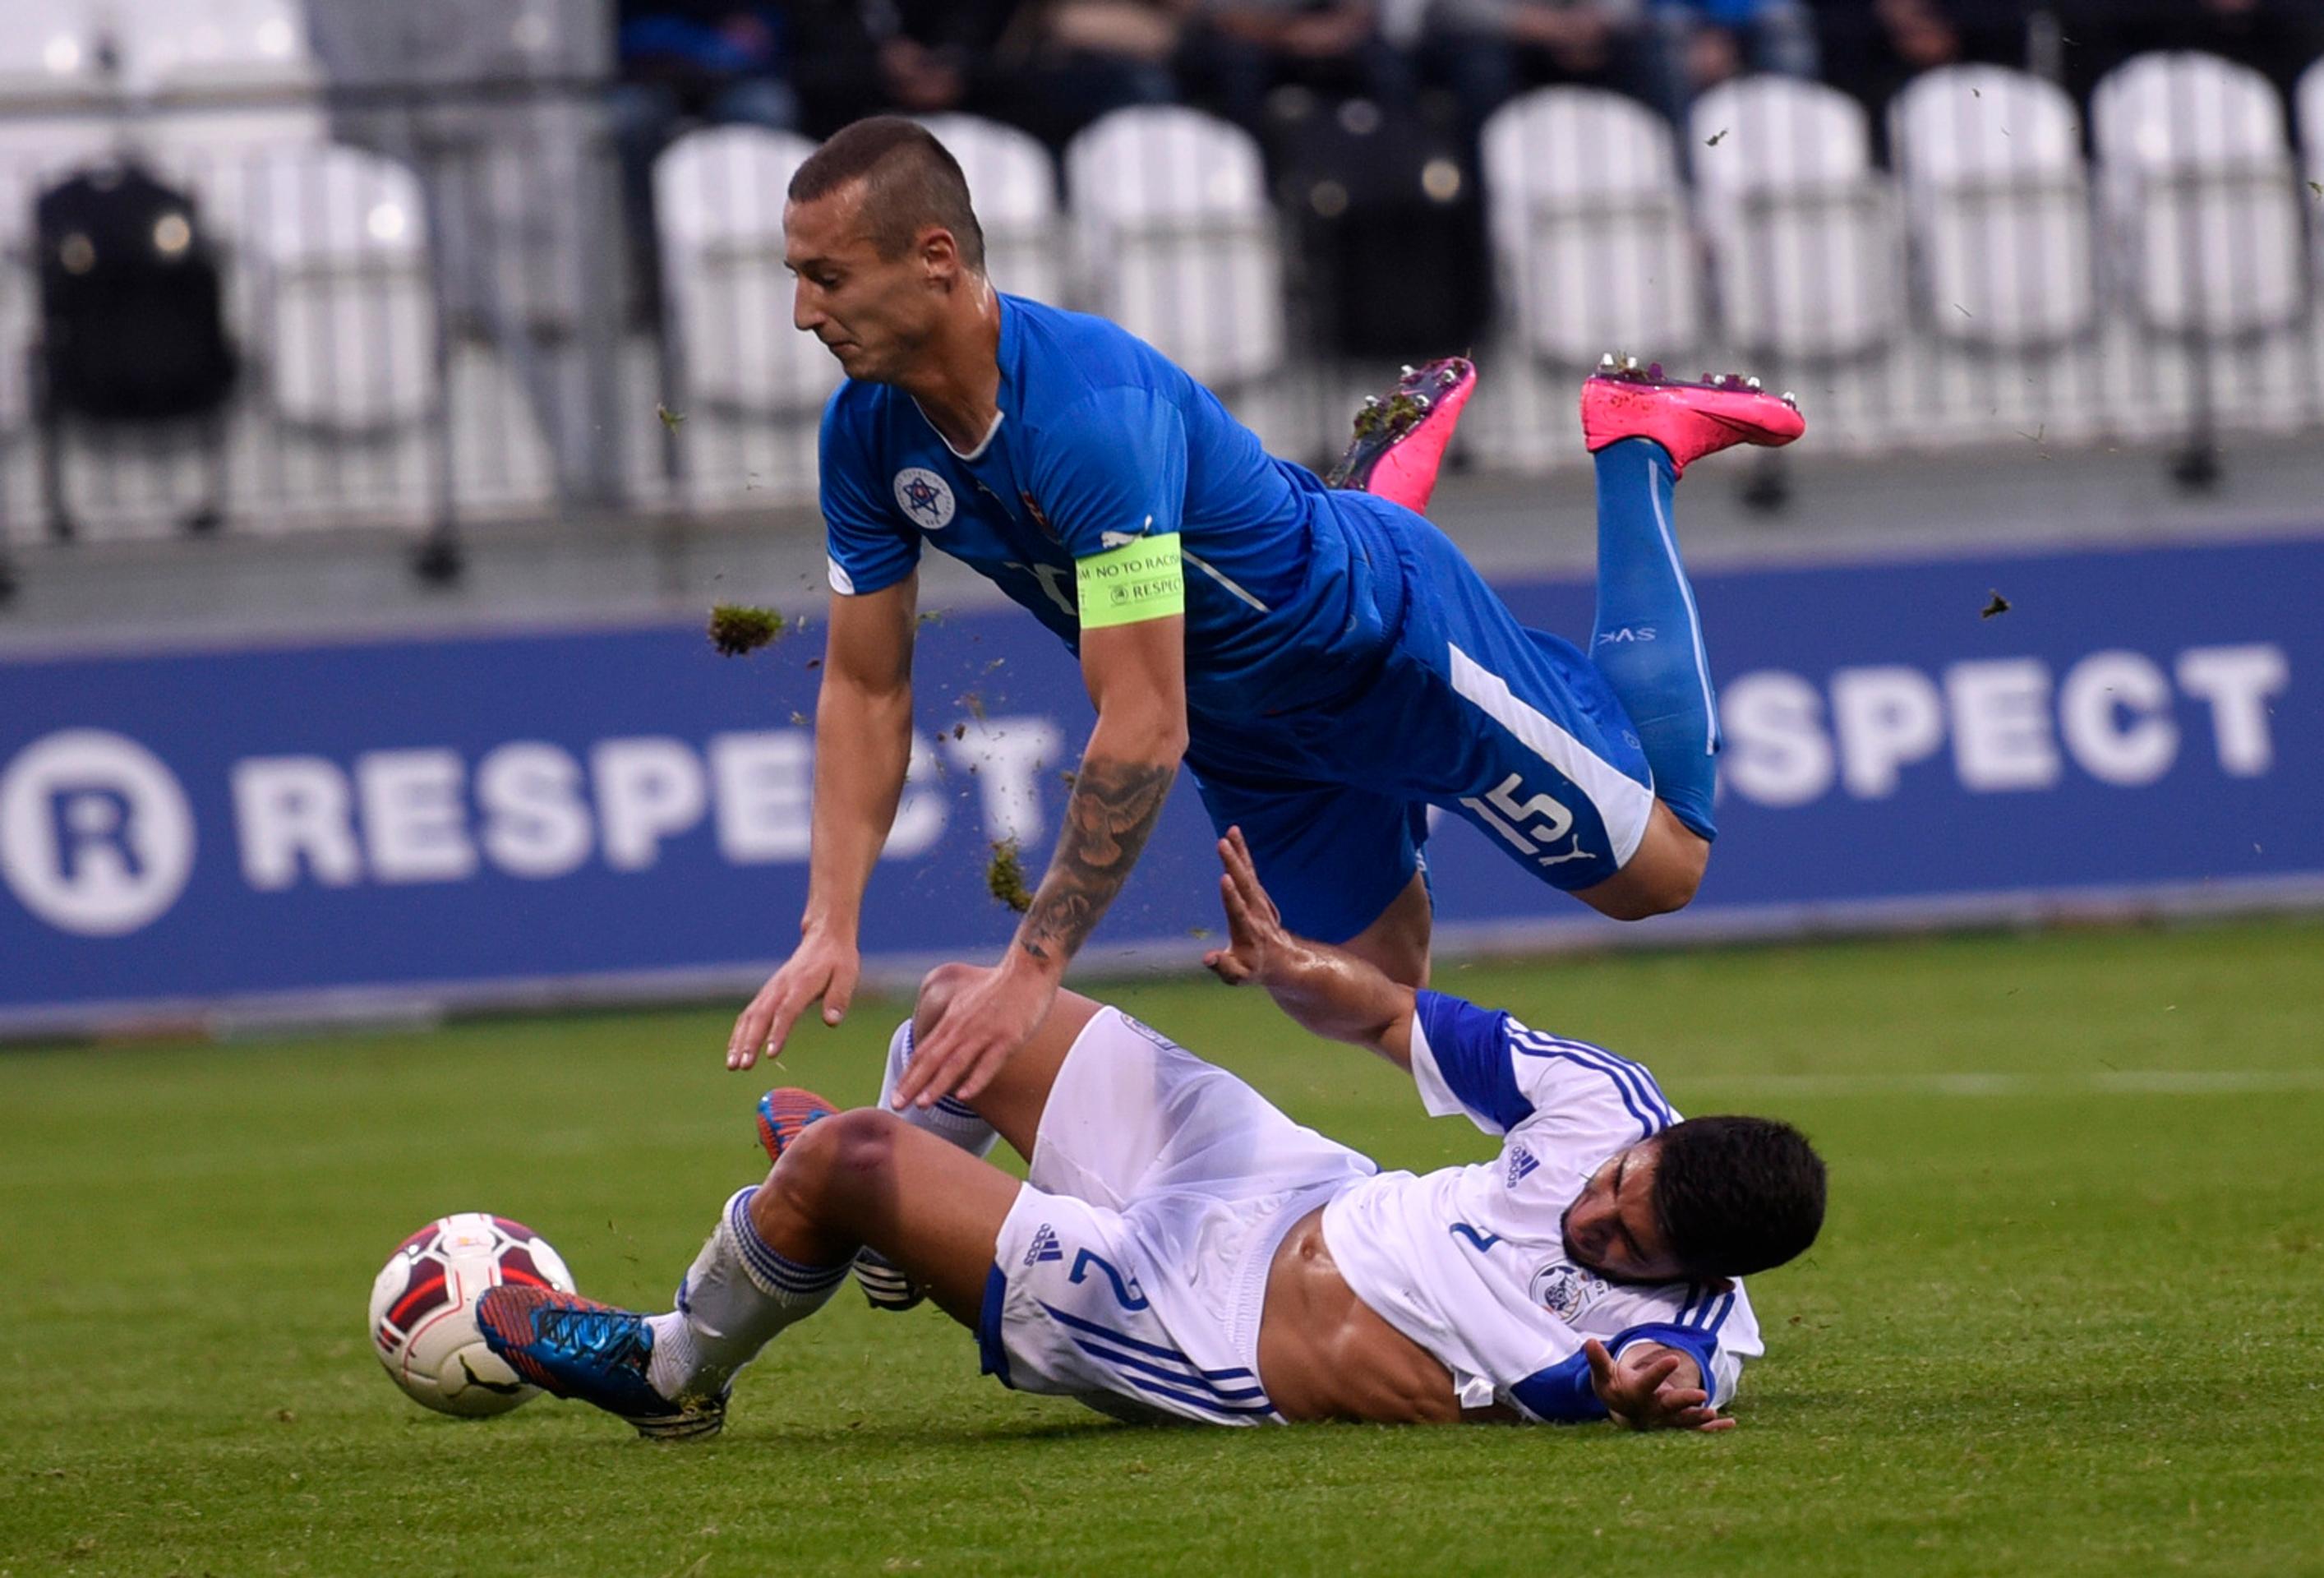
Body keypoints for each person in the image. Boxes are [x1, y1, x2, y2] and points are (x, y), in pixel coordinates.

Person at [729, 115, 1805, 1107]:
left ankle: (1636, 441)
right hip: (1253, 726)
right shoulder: (864, 435)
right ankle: (1373, 488)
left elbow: (1144, 721)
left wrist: (1033, 971)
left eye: (827, 278)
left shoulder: (1089, 416)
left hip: (1389, 652)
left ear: (934, 259)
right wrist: (832, 923)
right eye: (794, 278)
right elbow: (869, 685)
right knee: (1366, 990)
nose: (800, 313)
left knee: (1662, 874)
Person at [480, 831, 1827, 1436]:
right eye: (1613, 1187)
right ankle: (895, 1242)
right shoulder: (1611, 1104)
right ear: (1652, 1137)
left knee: (842, 1159)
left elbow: (1650, 1379)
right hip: (1285, 1179)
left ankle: (669, 1370)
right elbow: (1401, 1015)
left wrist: (1640, 1394)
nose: (1592, 1213)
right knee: (968, 1010)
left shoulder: (1688, 1335)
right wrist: (1302, 970)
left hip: (1212, 1328)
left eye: (1621, 1241)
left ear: (1689, 1274)